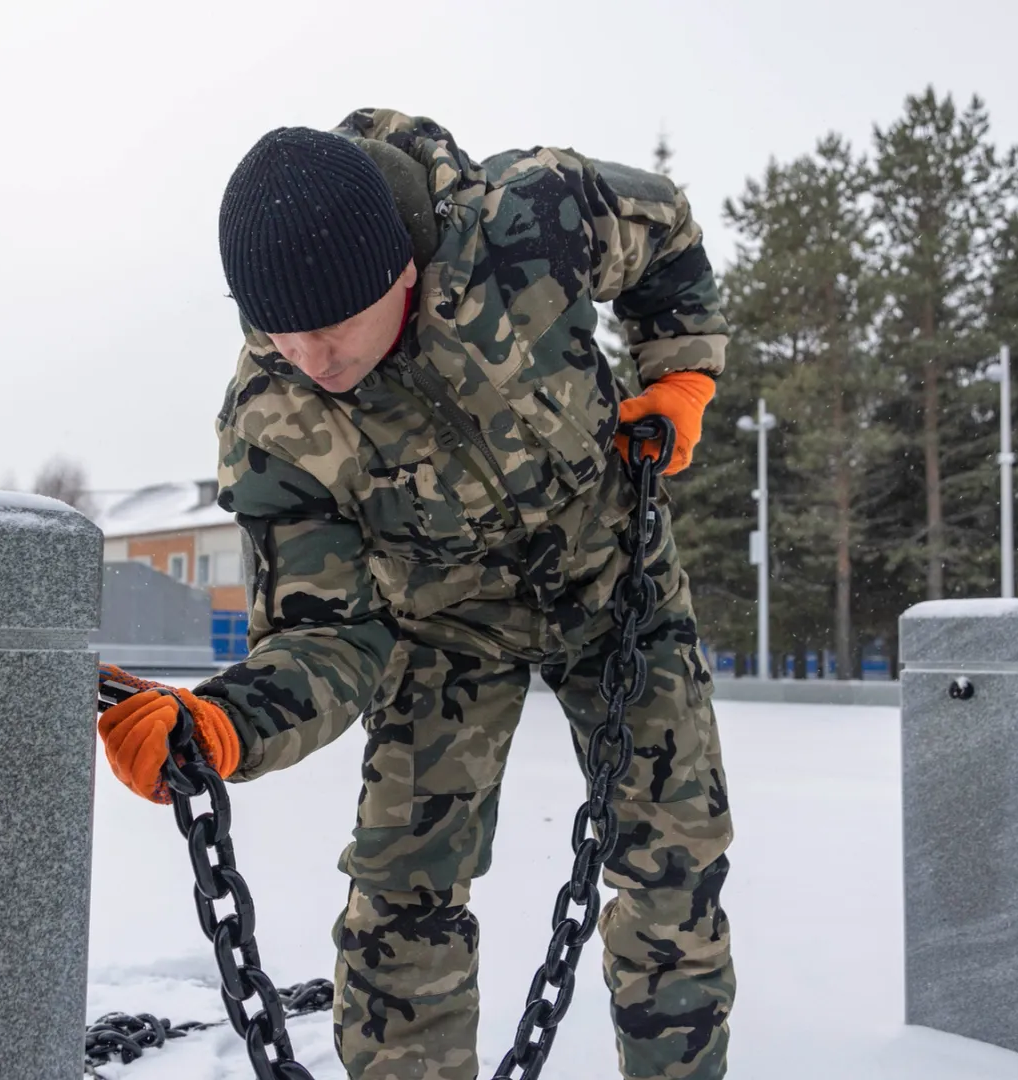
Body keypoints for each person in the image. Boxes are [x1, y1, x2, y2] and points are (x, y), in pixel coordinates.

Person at [97, 108, 733, 1080]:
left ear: (400, 272)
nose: (310, 355)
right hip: (440, 631)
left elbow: (668, 236)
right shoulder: (275, 425)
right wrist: (225, 725)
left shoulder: (533, 222)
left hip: (618, 588)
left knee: (671, 867)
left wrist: (680, 371)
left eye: (329, 324)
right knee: (401, 898)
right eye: (278, 327)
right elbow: (325, 634)